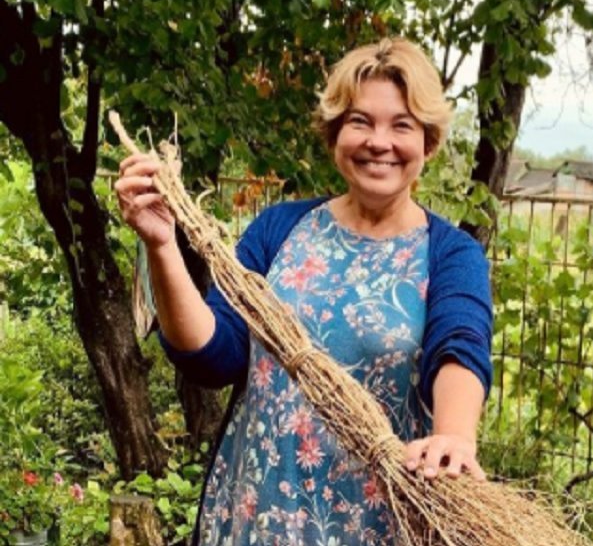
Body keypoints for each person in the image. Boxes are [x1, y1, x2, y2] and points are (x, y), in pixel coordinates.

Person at [116, 37, 493, 546]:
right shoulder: (279, 231)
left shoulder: (450, 254)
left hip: (375, 526)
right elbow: (213, 355)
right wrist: (162, 246)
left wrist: (453, 435)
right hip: (255, 515)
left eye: (401, 125)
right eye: (359, 121)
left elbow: (459, 346)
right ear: (336, 134)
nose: (378, 141)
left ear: (427, 143)